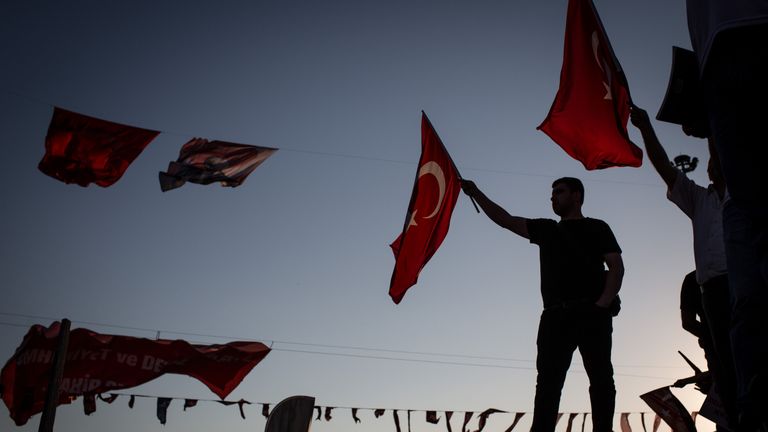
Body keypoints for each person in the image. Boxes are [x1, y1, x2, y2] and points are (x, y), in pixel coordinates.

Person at [461, 177, 623, 432]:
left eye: (559, 192)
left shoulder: (598, 227)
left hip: (592, 313)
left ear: (576, 195)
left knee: (601, 379)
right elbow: (506, 220)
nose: (552, 197)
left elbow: (616, 267)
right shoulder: (547, 229)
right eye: (552, 193)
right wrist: (477, 193)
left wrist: (601, 305)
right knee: (548, 384)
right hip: (555, 317)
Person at [685, 4, 768, 430]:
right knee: (745, 316)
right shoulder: (708, 201)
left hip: (748, 33)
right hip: (713, 59)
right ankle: (749, 408)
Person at [630, 105, 737, 429]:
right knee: (726, 371)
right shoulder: (698, 199)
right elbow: (663, 165)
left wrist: (710, 124)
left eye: (718, 155)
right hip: (715, 292)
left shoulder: (744, 194)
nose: (713, 163)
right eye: (711, 159)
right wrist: (646, 128)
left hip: (746, 284)